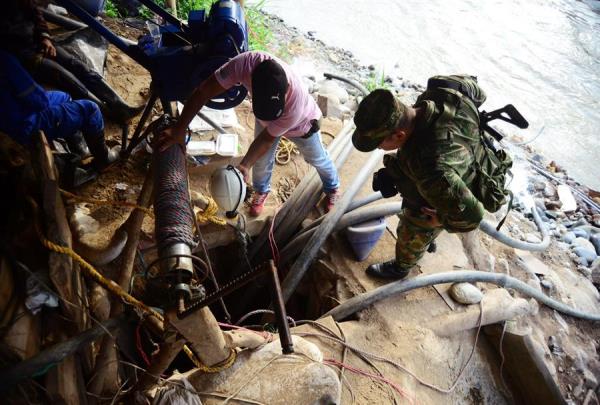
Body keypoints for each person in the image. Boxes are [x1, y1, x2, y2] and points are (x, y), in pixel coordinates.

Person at [352, 75, 504, 280]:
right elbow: (478, 92)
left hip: (463, 177)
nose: (379, 148)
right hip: (468, 152)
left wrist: (440, 219)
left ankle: (402, 266)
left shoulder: (432, 169)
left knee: (416, 221)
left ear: (398, 135)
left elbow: (472, 216)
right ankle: (429, 235)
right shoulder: (442, 87)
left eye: (379, 143)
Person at [157, 51, 340, 216]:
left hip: (301, 125)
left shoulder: (295, 104)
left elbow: (267, 139)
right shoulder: (243, 64)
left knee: (317, 158)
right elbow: (203, 91)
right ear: (252, 82)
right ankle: (262, 191)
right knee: (261, 160)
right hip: (269, 119)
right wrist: (179, 129)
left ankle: (332, 188)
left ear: (285, 94)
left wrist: (244, 164)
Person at [0, 0, 142, 123]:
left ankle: (119, 105)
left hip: (39, 44)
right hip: (21, 57)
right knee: (64, 76)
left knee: (77, 64)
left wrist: (45, 38)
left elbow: (37, 16)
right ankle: (105, 110)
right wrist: (26, 56)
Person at [0, 50, 119, 177]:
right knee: (91, 109)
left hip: (8, 114)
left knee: (63, 97)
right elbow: (39, 101)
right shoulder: (5, 61)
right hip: (23, 125)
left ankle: (79, 149)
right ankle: (103, 159)